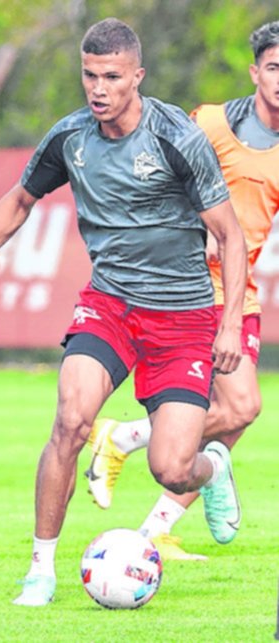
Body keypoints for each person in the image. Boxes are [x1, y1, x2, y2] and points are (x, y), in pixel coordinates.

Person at [0, 18, 248, 607]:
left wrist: (229, 321)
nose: (97, 89)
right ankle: (41, 570)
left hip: (183, 320)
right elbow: (19, 201)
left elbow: (228, 233)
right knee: (70, 421)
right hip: (109, 306)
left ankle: (212, 467)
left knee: (171, 469)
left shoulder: (177, 137)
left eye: (111, 77)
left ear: (137, 77)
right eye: (88, 75)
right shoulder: (71, 137)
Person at [84, 20, 279, 560]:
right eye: (275, 66)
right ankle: (138, 469)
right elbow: (165, 166)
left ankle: (151, 515)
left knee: (237, 413)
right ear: (255, 71)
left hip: (239, 285)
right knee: (237, 406)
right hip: (185, 282)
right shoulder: (212, 122)